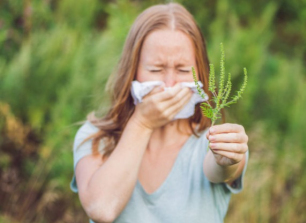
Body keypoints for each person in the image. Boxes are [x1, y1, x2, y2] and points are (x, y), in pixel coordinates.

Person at [70, 3, 249, 223]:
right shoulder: (96, 138)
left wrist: (227, 159)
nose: (170, 84)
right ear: (133, 70)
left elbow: (220, 168)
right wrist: (142, 124)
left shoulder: (211, 142)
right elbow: (102, 209)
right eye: (156, 69)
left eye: (183, 70)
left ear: (200, 74)